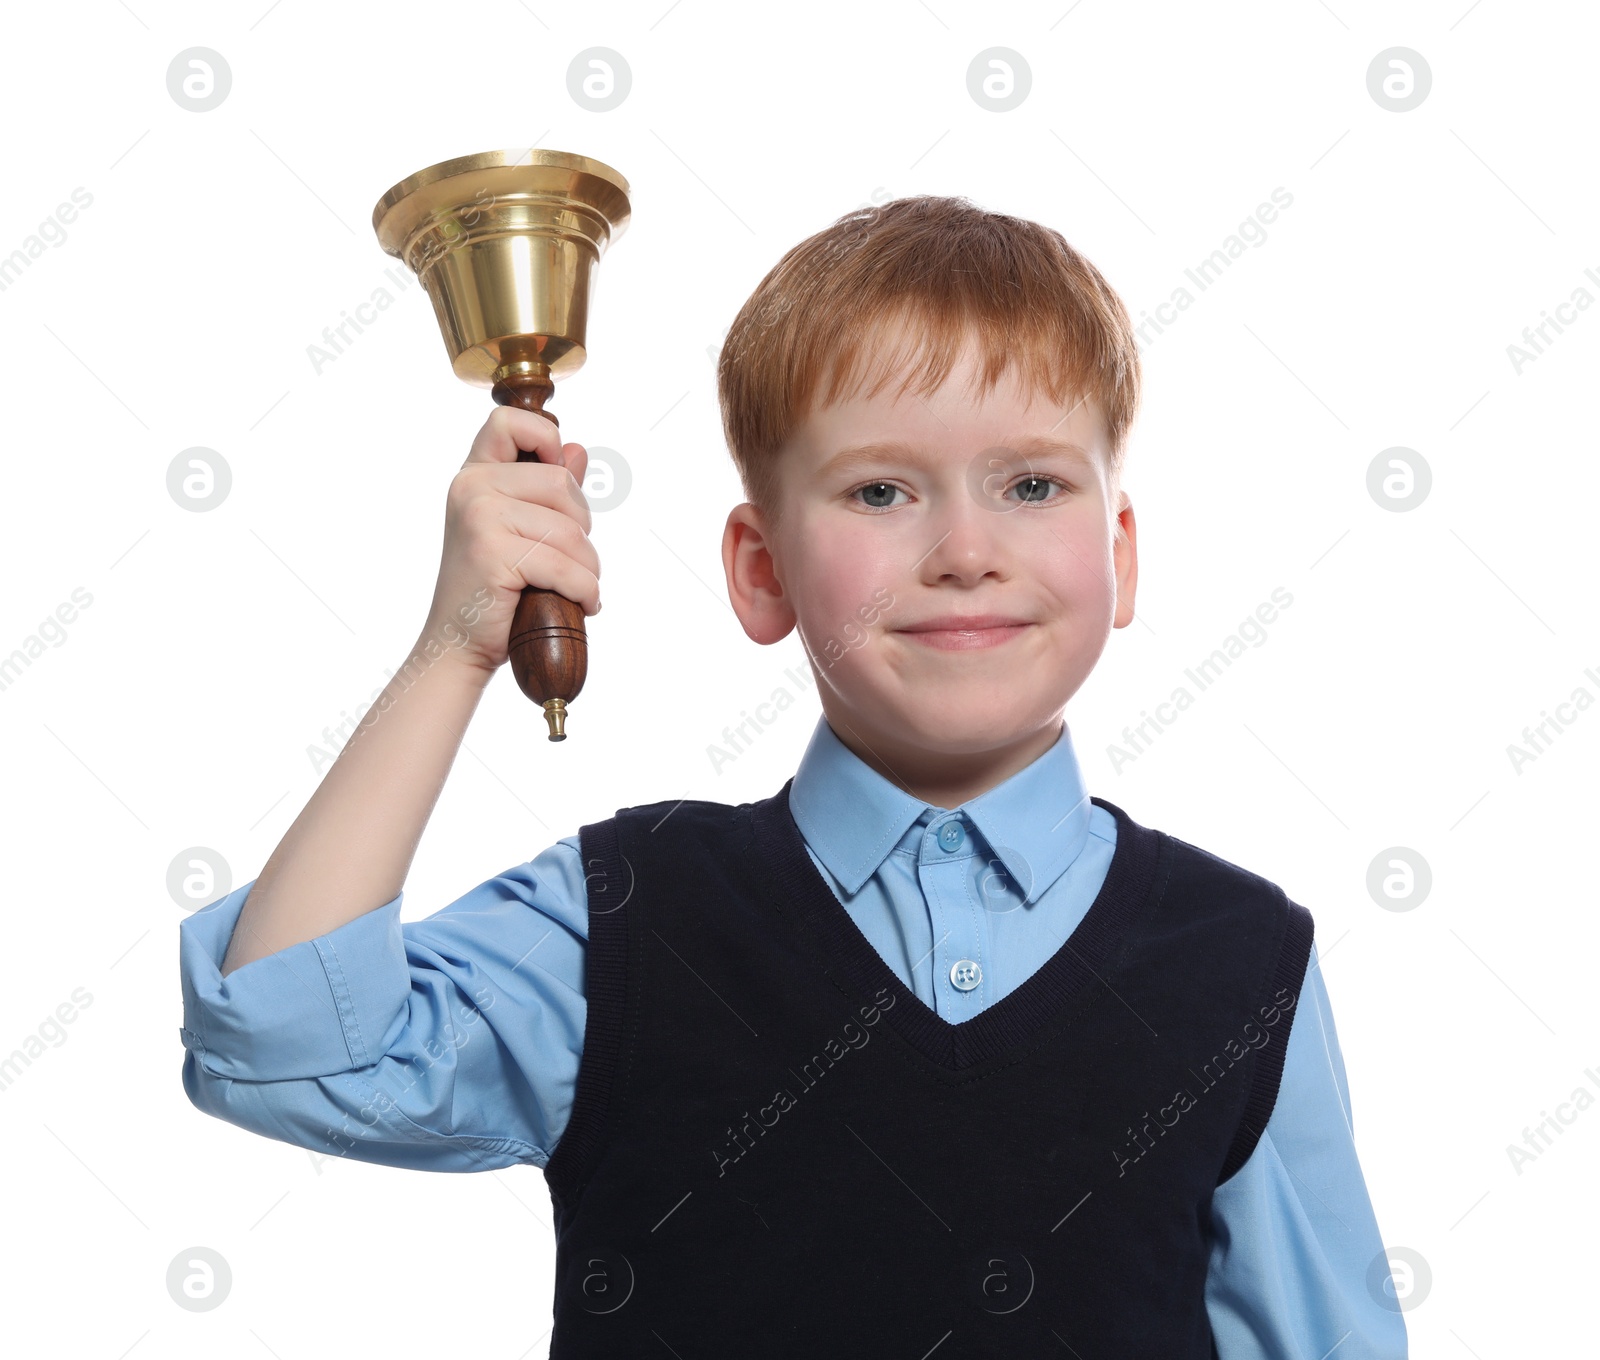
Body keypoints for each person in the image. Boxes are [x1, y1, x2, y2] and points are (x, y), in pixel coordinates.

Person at [178, 194, 1408, 1356]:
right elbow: (280, 1047)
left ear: (1119, 552)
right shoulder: (622, 922)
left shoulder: (1245, 959)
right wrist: (455, 648)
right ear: (761, 571)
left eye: (1031, 484)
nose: (966, 551)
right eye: (881, 490)